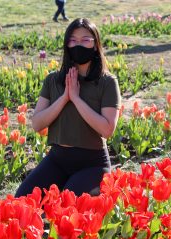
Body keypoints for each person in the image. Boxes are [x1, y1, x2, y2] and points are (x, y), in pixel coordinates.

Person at [15, 18, 121, 198]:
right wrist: (64, 98)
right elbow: (37, 124)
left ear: (95, 45)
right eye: (73, 40)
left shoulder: (107, 82)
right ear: (66, 45)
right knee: (22, 201)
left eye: (85, 40)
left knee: (68, 208)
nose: (78, 44)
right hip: (57, 159)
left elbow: (107, 129)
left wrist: (77, 99)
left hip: (92, 164)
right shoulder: (53, 80)